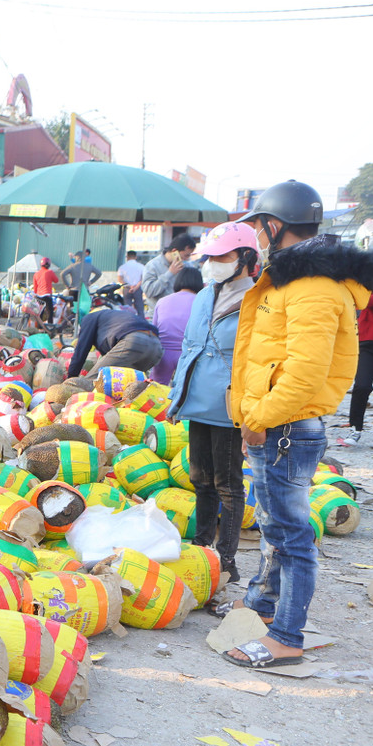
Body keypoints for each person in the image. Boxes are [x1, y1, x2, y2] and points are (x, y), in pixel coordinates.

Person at [224, 180, 373, 669]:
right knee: (274, 528)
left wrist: (259, 419)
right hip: (274, 425)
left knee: (290, 537)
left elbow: (305, 372)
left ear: (275, 225)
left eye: (260, 229)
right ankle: (263, 606)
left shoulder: (312, 287)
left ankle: (287, 637)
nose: (259, 240)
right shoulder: (291, 279)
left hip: (286, 427)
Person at [167, 222, 263, 591]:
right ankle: (203, 546)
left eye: (222, 256)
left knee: (228, 484)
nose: (213, 263)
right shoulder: (205, 294)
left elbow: (259, 361)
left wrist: (255, 414)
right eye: (210, 257)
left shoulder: (257, 301)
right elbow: (189, 349)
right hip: (197, 401)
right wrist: (177, 396)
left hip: (229, 404)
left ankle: (227, 560)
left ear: (246, 258)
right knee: (199, 478)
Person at [65, 307, 163, 377]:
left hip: (133, 341)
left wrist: (71, 378)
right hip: (156, 347)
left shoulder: (89, 318)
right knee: (131, 387)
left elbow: (81, 351)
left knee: (95, 380)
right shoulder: (113, 318)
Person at [150, 266, 204, 384]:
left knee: (156, 391)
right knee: (185, 391)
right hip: (188, 354)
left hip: (163, 354)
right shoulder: (201, 302)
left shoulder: (162, 301)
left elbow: (154, 329)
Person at [337, 302, 373, 447]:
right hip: (368, 340)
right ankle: (355, 428)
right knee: (362, 386)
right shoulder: (368, 279)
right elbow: (363, 301)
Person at [141, 234, 197, 304]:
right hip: (158, 313)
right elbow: (149, 292)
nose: (187, 259)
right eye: (186, 255)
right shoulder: (152, 266)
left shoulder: (187, 266)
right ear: (174, 251)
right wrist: (170, 273)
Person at [118, 249, 147, 316]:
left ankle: (128, 322)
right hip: (138, 289)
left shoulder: (122, 267)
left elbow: (120, 279)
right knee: (139, 307)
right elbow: (143, 279)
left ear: (127, 257)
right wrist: (135, 287)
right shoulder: (141, 266)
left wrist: (129, 286)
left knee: (127, 308)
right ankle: (141, 322)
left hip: (126, 289)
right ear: (135, 257)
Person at [32, 257, 59, 326]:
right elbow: (56, 280)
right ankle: (50, 327)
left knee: (39, 313)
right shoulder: (50, 272)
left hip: (38, 296)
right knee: (49, 313)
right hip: (47, 295)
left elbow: (35, 287)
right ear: (49, 264)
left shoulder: (36, 274)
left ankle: (39, 327)